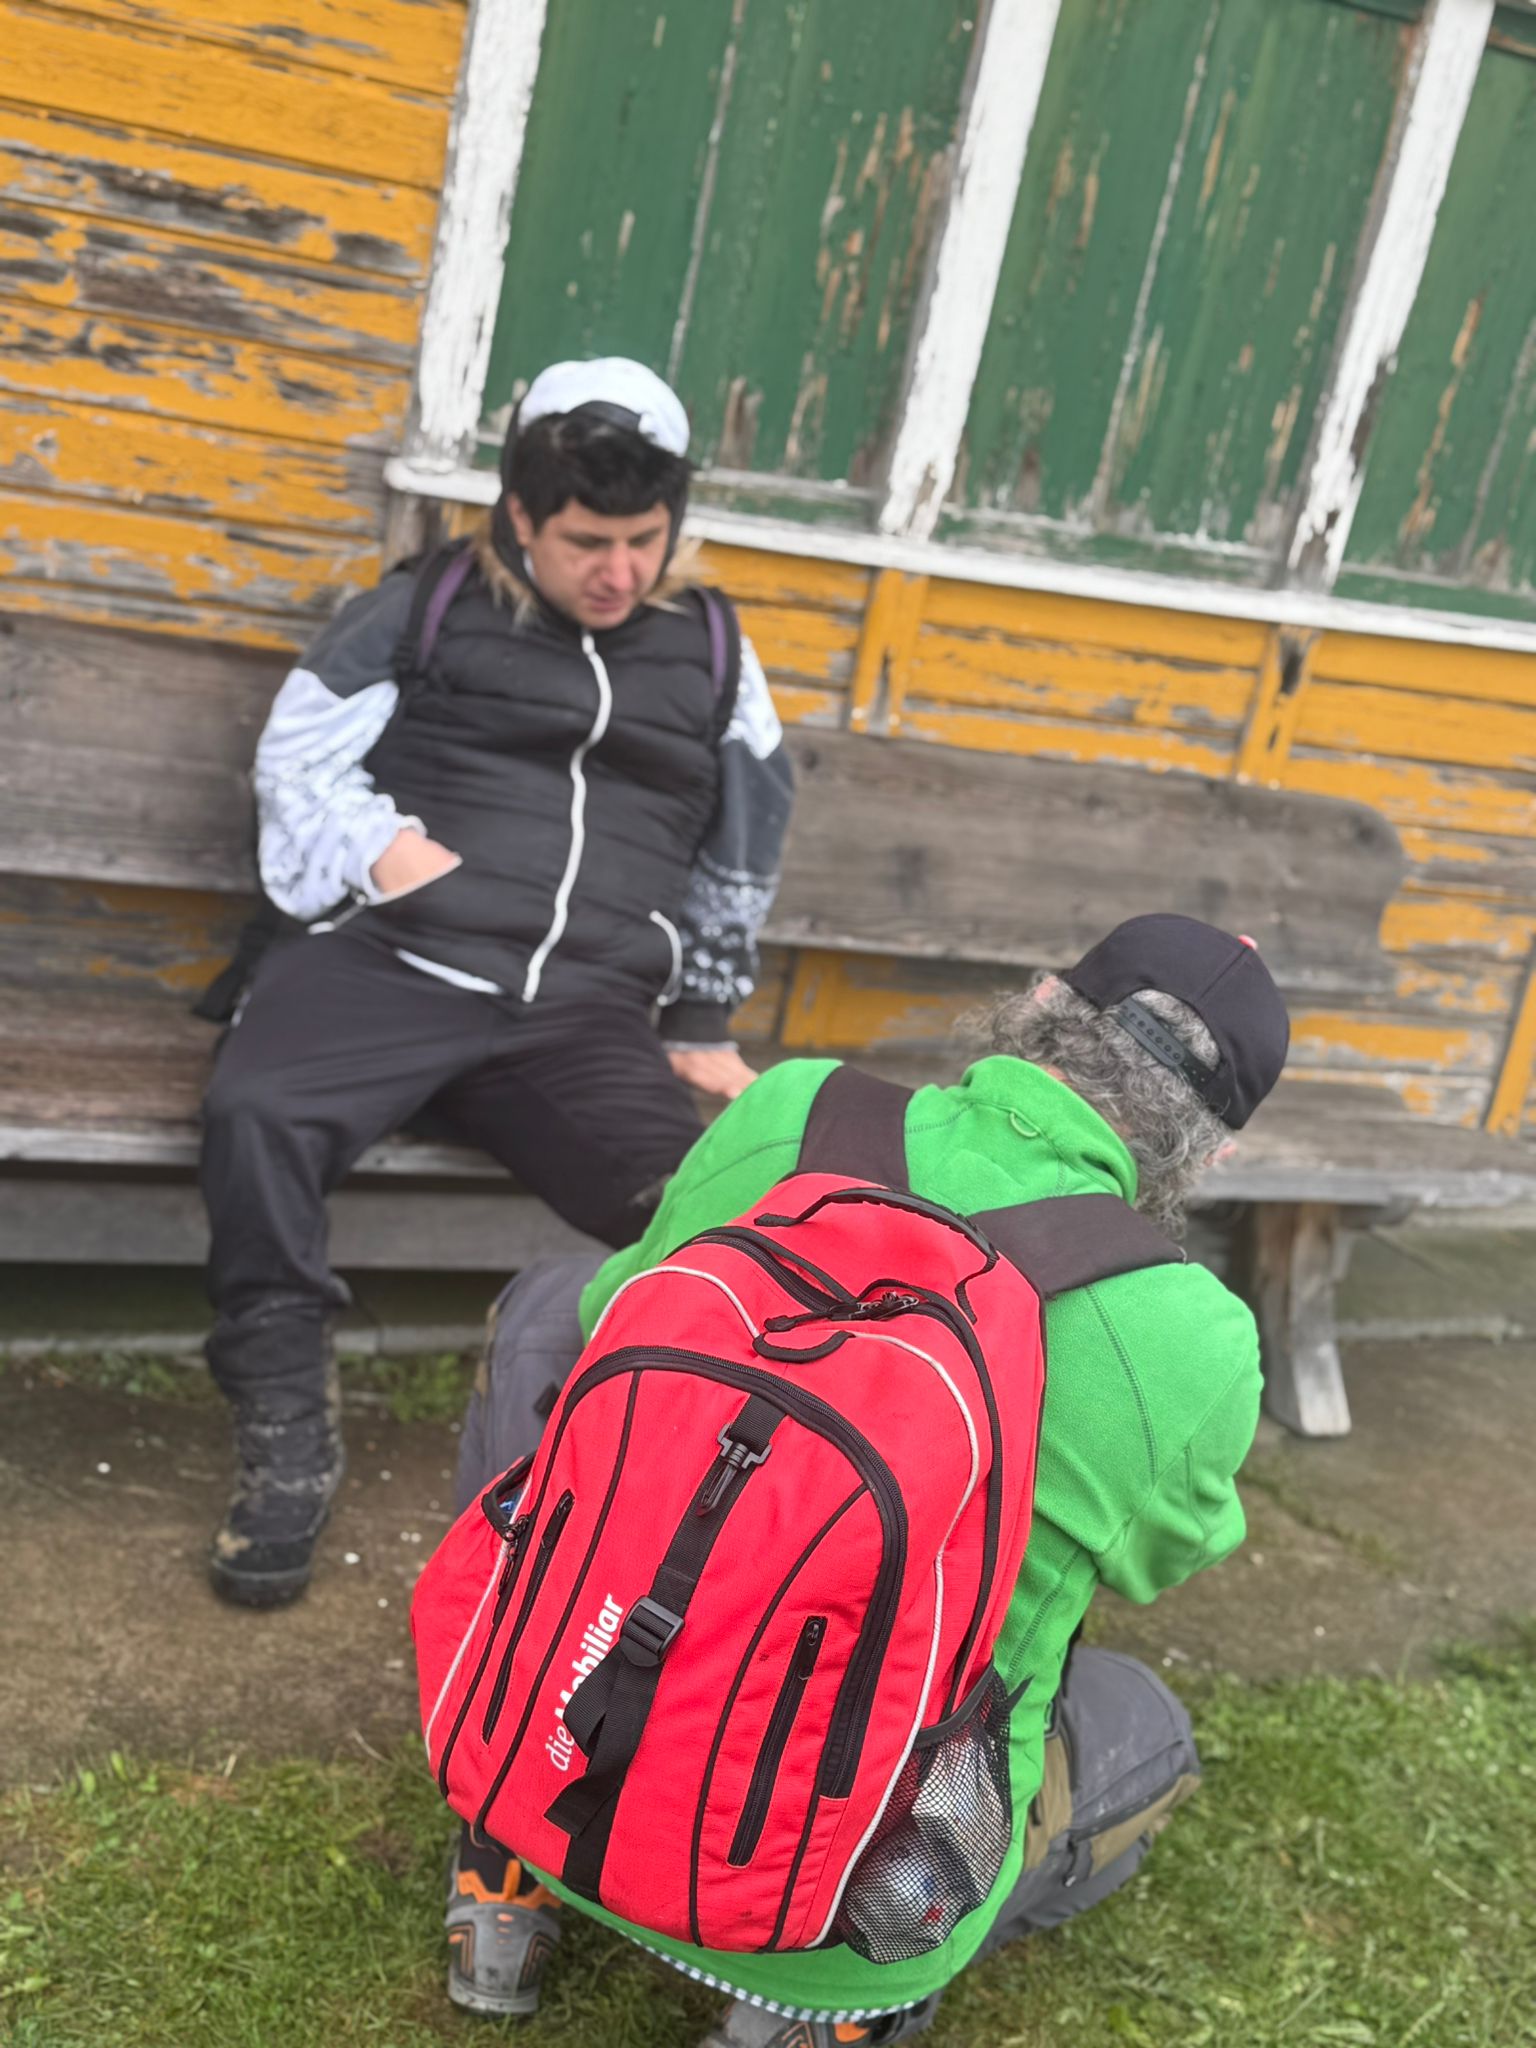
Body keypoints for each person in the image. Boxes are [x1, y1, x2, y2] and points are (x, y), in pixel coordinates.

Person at [438, 912, 1290, 2042]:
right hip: (834, 1902)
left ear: (1041, 999)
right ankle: (809, 2019)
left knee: (556, 1308)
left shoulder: (793, 1108)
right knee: (1149, 1725)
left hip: (538, 1763)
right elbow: (1158, 1558)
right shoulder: (1193, 1334)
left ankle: (503, 1872)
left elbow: (616, 1314)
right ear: (1209, 1150)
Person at [199, 357, 795, 1610]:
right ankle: (285, 1424)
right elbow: (298, 753)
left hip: (579, 1013)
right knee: (256, 1108)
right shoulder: (429, 605)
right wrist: (388, 853)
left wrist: (701, 1013)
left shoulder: (713, 649)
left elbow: (748, 835)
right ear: (522, 515)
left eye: (643, 540)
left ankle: (680, 1491)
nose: (619, 571)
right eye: (587, 542)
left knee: (696, 1215)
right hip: (396, 965)